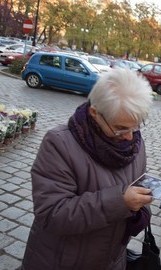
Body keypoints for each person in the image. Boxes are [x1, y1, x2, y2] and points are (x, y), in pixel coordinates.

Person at [22, 69, 154, 270]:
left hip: (111, 261)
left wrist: (140, 205)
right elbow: (52, 214)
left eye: (135, 126)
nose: (129, 137)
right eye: (120, 128)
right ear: (95, 113)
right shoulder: (59, 143)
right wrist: (121, 201)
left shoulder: (135, 143)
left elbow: (137, 186)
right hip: (62, 261)